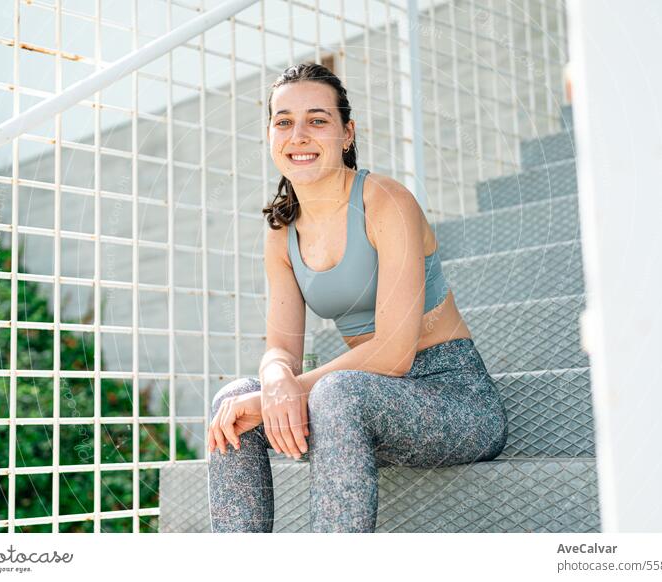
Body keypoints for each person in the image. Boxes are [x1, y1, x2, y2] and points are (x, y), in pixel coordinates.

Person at [207, 62, 508, 533]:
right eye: (283, 121)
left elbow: (393, 354)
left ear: (347, 134)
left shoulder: (386, 200)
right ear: (270, 136)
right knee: (233, 400)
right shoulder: (282, 231)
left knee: (334, 392)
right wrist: (275, 381)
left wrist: (286, 393)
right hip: (354, 401)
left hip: (452, 397)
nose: (298, 134)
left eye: (317, 120)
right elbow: (280, 348)